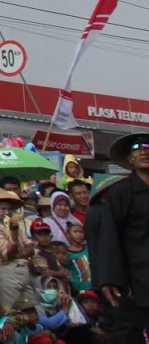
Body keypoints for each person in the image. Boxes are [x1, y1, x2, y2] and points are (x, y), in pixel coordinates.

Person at [86, 132, 149, 343]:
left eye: (147, 147)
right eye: (137, 149)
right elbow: (108, 237)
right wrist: (108, 278)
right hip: (134, 281)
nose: (143, 151)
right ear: (130, 158)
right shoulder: (121, 192)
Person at [0, 189, 33, 310]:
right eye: (2, 209)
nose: (7, 212)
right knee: (10, 311)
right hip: (6, 272)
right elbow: (8, 254)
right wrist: (13, 235)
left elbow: (30, 248)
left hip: (23, 269)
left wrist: (18, 255)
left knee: (31, 309)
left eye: (9, 209)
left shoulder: (14, 223)